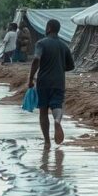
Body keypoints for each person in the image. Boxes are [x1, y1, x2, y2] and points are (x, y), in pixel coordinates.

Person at [28, 19, 75, 149]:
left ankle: (47, 141)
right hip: (58, 82)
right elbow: (71, 66)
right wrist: (59, 67)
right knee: (57, 106)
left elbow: (36, 59)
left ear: (48, 28)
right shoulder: (64, 46)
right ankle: (57, 121)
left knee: (43, 111)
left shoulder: (41, 43)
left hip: (43, 82)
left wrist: (30, 78)